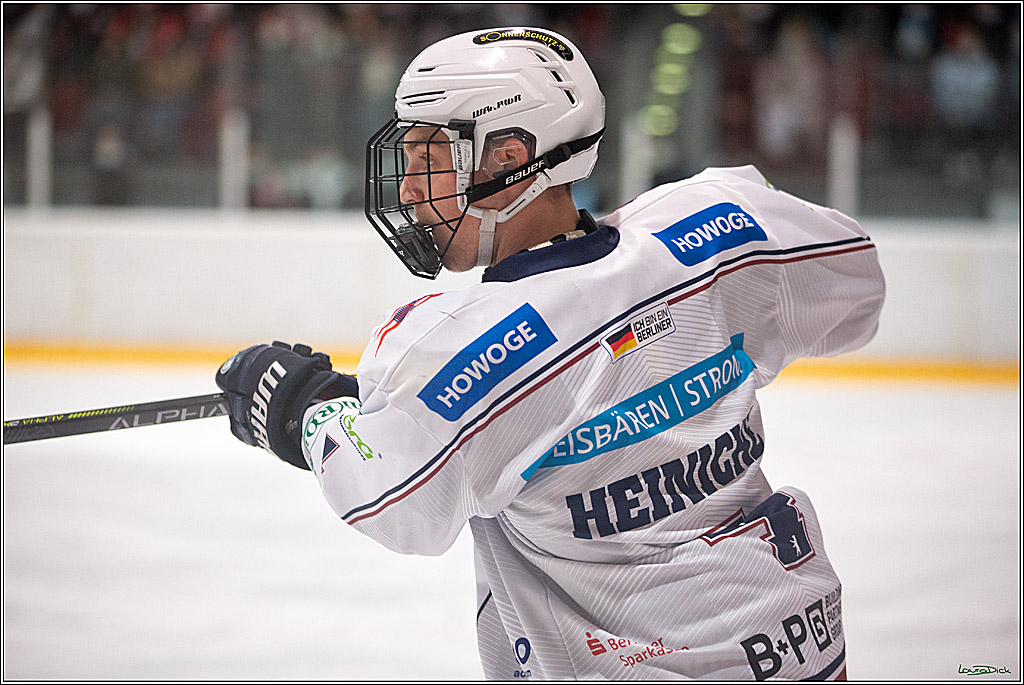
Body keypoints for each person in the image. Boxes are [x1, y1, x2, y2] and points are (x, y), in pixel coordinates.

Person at [216, 27, 884, 680]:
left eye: (429, 156)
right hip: (800, 645)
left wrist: (303, 412)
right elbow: (855, 291)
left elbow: (394, 497)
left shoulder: (461, 344)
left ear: (508, 163)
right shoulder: (715, 223)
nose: (410, 188)